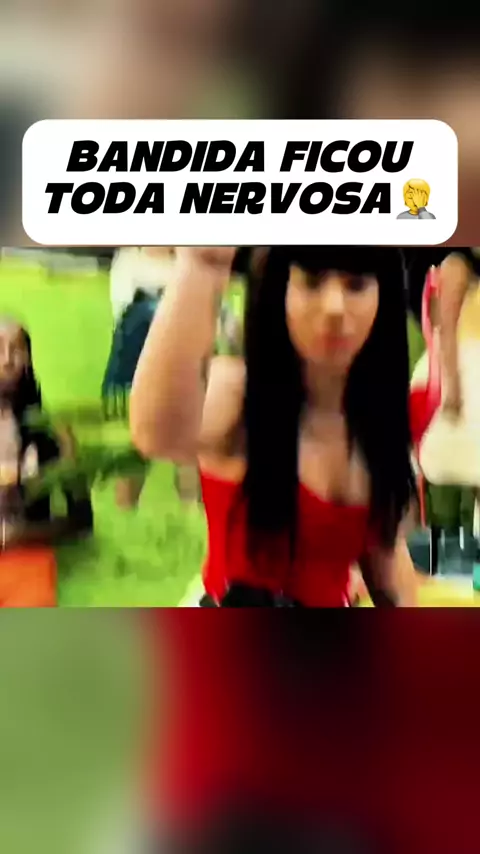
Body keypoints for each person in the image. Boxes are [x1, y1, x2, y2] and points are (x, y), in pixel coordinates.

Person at [131, 247, 418, 607]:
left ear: (383, 298)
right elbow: (157, 433)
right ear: (279, 289)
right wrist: (202, 266)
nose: (334, 306)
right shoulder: (238, 395)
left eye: (357, 284)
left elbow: (386, 560)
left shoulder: (377, 426)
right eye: (311, 281)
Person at [0, 318, 93, 606]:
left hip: (24, 557)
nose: (7, 359)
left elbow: (82, 521)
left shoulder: (52, 432)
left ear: (29, 360)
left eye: (17, 350)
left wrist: (22, 535)